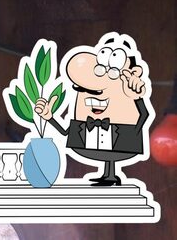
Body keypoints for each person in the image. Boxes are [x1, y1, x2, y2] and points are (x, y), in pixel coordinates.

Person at [35, 33, 151, 186]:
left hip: (121, 135)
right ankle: (108, 175)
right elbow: (65, 132)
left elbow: (145, 114)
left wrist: (136, 102)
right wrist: (49, 116)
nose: (92, 95)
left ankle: (110, 176)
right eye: (82, 89)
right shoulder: (82, 126)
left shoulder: (128, 96)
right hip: (92, 137)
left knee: (112, 154)